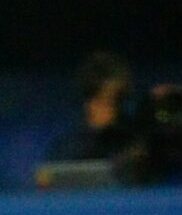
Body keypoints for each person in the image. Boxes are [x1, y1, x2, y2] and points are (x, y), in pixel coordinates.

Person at [43, 50, 147, 186]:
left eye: (117, 100)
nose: (111, 109)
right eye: (104, 100)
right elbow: (54, 178)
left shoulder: (134, 137)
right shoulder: (67, 146)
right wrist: (96, 132)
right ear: (89, 103)